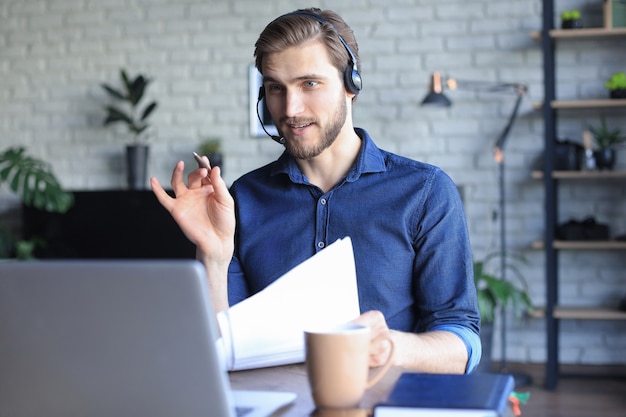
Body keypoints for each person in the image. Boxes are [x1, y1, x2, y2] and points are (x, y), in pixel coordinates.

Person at [151, 7, 481, 374]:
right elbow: (221, 351)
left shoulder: (425, 192)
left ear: (351, 84)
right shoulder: (242, 198)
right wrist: (213, 255)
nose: (290, 109)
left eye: (309, 83)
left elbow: (461, 343)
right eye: (276, 88)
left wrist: (389, 346)